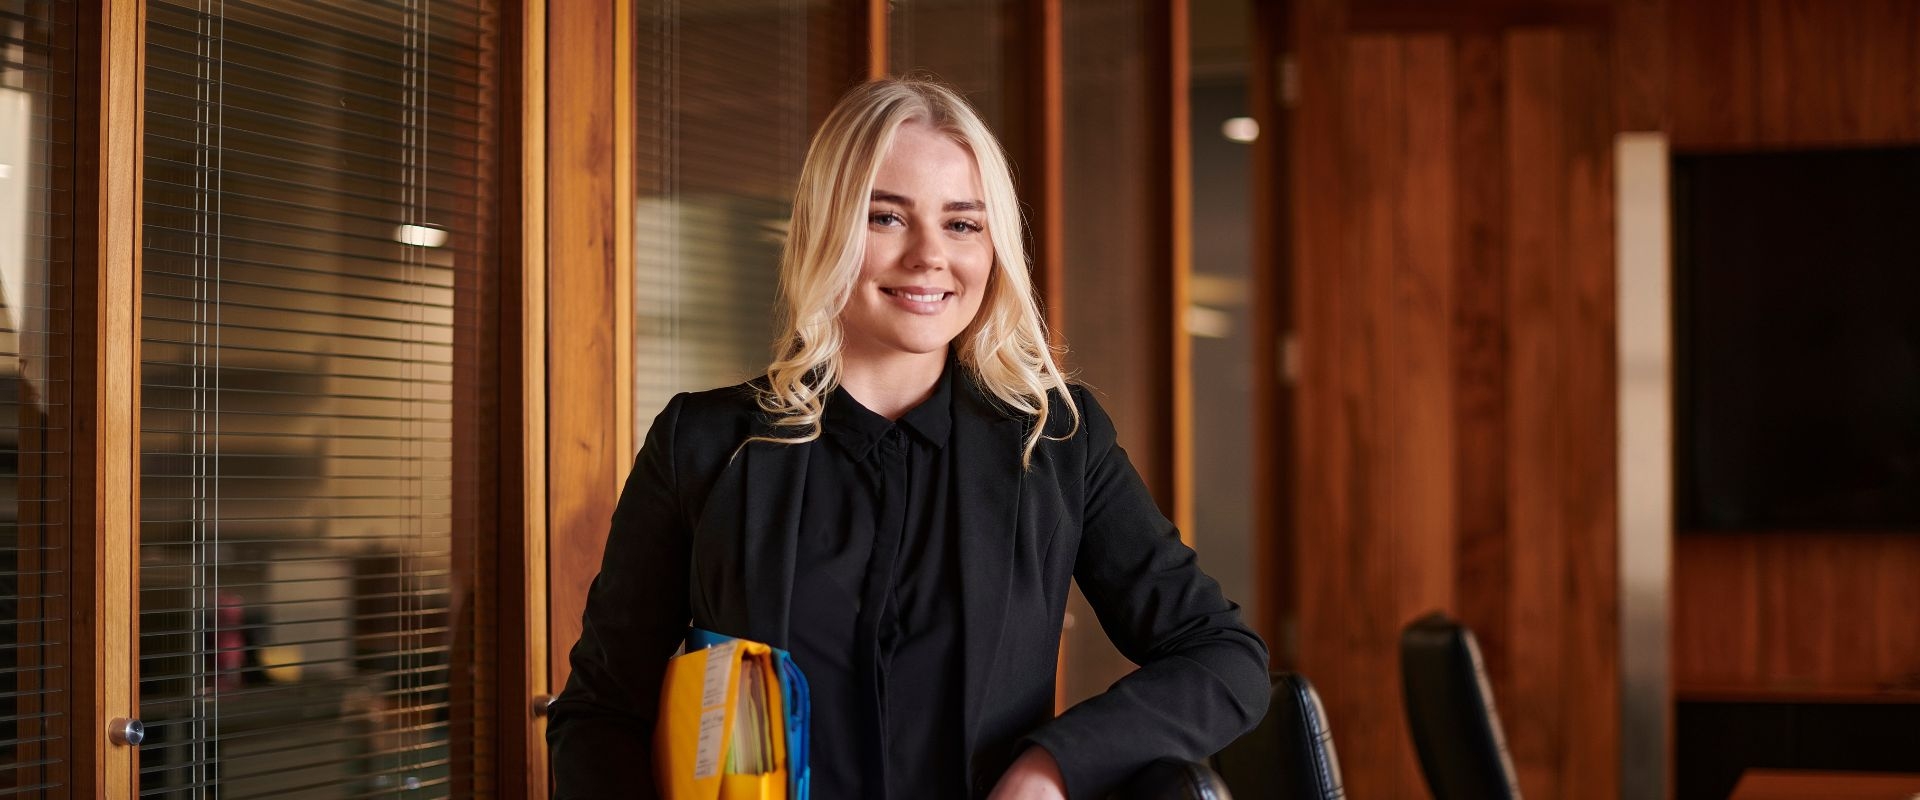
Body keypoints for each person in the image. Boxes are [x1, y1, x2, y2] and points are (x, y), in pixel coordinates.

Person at [548, 77, 1268, 800]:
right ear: (826, 230)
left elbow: (1224, 657)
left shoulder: (1056, 440)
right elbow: (601, 712)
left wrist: (1051, 769)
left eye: (962, 224)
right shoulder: (702, 443)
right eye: (887, 217)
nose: (929, 255)